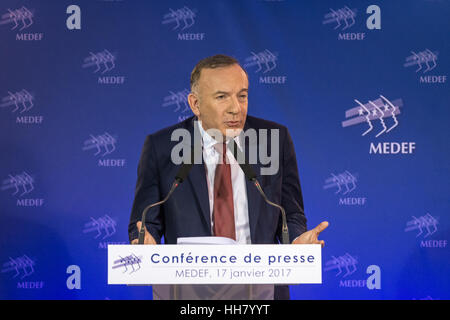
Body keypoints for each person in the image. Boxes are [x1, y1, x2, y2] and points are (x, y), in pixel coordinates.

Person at [128, 54, 328, 299]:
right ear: (195, 104)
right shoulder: (162, 147)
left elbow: (291, 212)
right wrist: (143, 242)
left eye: (242, 95)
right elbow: (145, 220)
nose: (236, 108)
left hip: (260, 292)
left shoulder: (274, 140)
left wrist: (296, 240)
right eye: (222, 97)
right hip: (190, 293)